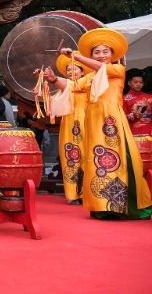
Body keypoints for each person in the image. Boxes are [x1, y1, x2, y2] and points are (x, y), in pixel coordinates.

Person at [47, 28, 151, 219]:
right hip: (93, 121)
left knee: (115, 159)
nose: (101, 55)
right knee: (97, 161)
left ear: (113, 55)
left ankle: (121, 206)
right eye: (97, 52)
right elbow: (73, 86)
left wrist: (76, 56)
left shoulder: (117, 70)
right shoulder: (90, 77)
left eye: (105, 52)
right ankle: (101, 206)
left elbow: (101, 68)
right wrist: (54, 80)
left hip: (111, 119)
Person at [46, 54, 91, 204]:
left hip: (84, 121)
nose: (71, 72)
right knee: (70, 157)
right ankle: (72, 194)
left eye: (75, 69)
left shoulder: (86, 82)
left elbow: (70, 85)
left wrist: (54, 80)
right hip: (68, 123)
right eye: (68, 69)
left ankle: (86, 193)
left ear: (83, 71)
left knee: (86, 155)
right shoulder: (64, 87)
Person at [123, 71, 152, 135]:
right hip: (133, 132)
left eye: (141, 82)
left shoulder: (150, 97)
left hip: (150, 131)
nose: (138, 84)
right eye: (135, 82)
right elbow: (122, 118)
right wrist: (132, 115)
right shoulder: (123, 99)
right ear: (129, 83)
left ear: (143, 84)